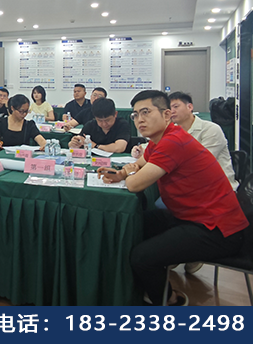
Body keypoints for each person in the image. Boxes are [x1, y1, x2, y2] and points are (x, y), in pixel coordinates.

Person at [98, 90, 249, 306]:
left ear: (167, 114)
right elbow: (139, 164)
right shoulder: (159, 141)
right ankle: (139, 287)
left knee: (142, 257)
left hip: (217, 229)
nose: (140, 120)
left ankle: (169, 301)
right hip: (190, 216)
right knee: (133, 223)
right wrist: (122, 173)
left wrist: (128, 175)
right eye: (135, 115)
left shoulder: (173, 141)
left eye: (146, 112)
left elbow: (135, 184)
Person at [134, 91, 238, 191]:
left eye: (176, 106)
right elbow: (155, 146)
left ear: (190, 107)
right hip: (188, 188)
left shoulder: (211, 129)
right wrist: (139, 148)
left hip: (216, 189)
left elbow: (199, 165)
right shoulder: (172, 131)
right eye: (169, 107)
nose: (172, 111)